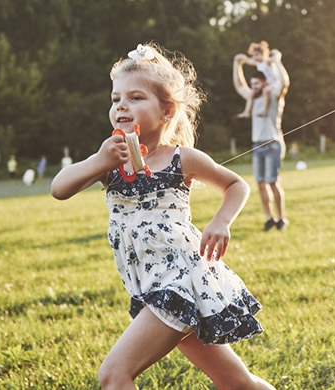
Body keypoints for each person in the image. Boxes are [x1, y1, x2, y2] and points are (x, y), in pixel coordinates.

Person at [50, 42, 274, 390]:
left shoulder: (180, 158)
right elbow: (59, 188)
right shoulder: (109, 161)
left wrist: (220, 221)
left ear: (167, 111)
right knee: (235, 382)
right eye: (116, 98)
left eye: (136, 97)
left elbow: (235, 185)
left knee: (113, 376)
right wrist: (99, 161)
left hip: (180, 282)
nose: (122, 104)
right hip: (149, 287)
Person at [233, 42, 290, 231]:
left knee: (273, 182)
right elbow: (239, 85)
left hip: (273, 143)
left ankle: (281, 218)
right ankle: (269, 218)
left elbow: (284, 82)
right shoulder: (253, 97)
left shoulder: (274, 96)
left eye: (257, 83)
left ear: (266, 82)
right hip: (257, 145)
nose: (253, 86)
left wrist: (278, 62)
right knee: (260, 183)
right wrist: (237, 64)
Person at [236, 41, 277, 118]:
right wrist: (242, 58)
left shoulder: (266, 61)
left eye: (257, 55)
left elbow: (274, 60)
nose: (255, 58)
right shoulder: (258, 62)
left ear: (263, 54)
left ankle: (265, 110)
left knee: (265, 91)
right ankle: (247, 112)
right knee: (252, 94)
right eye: (253, 55)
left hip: (273, 83)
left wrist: (276, 55)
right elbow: (248, 61)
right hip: (265, 84)